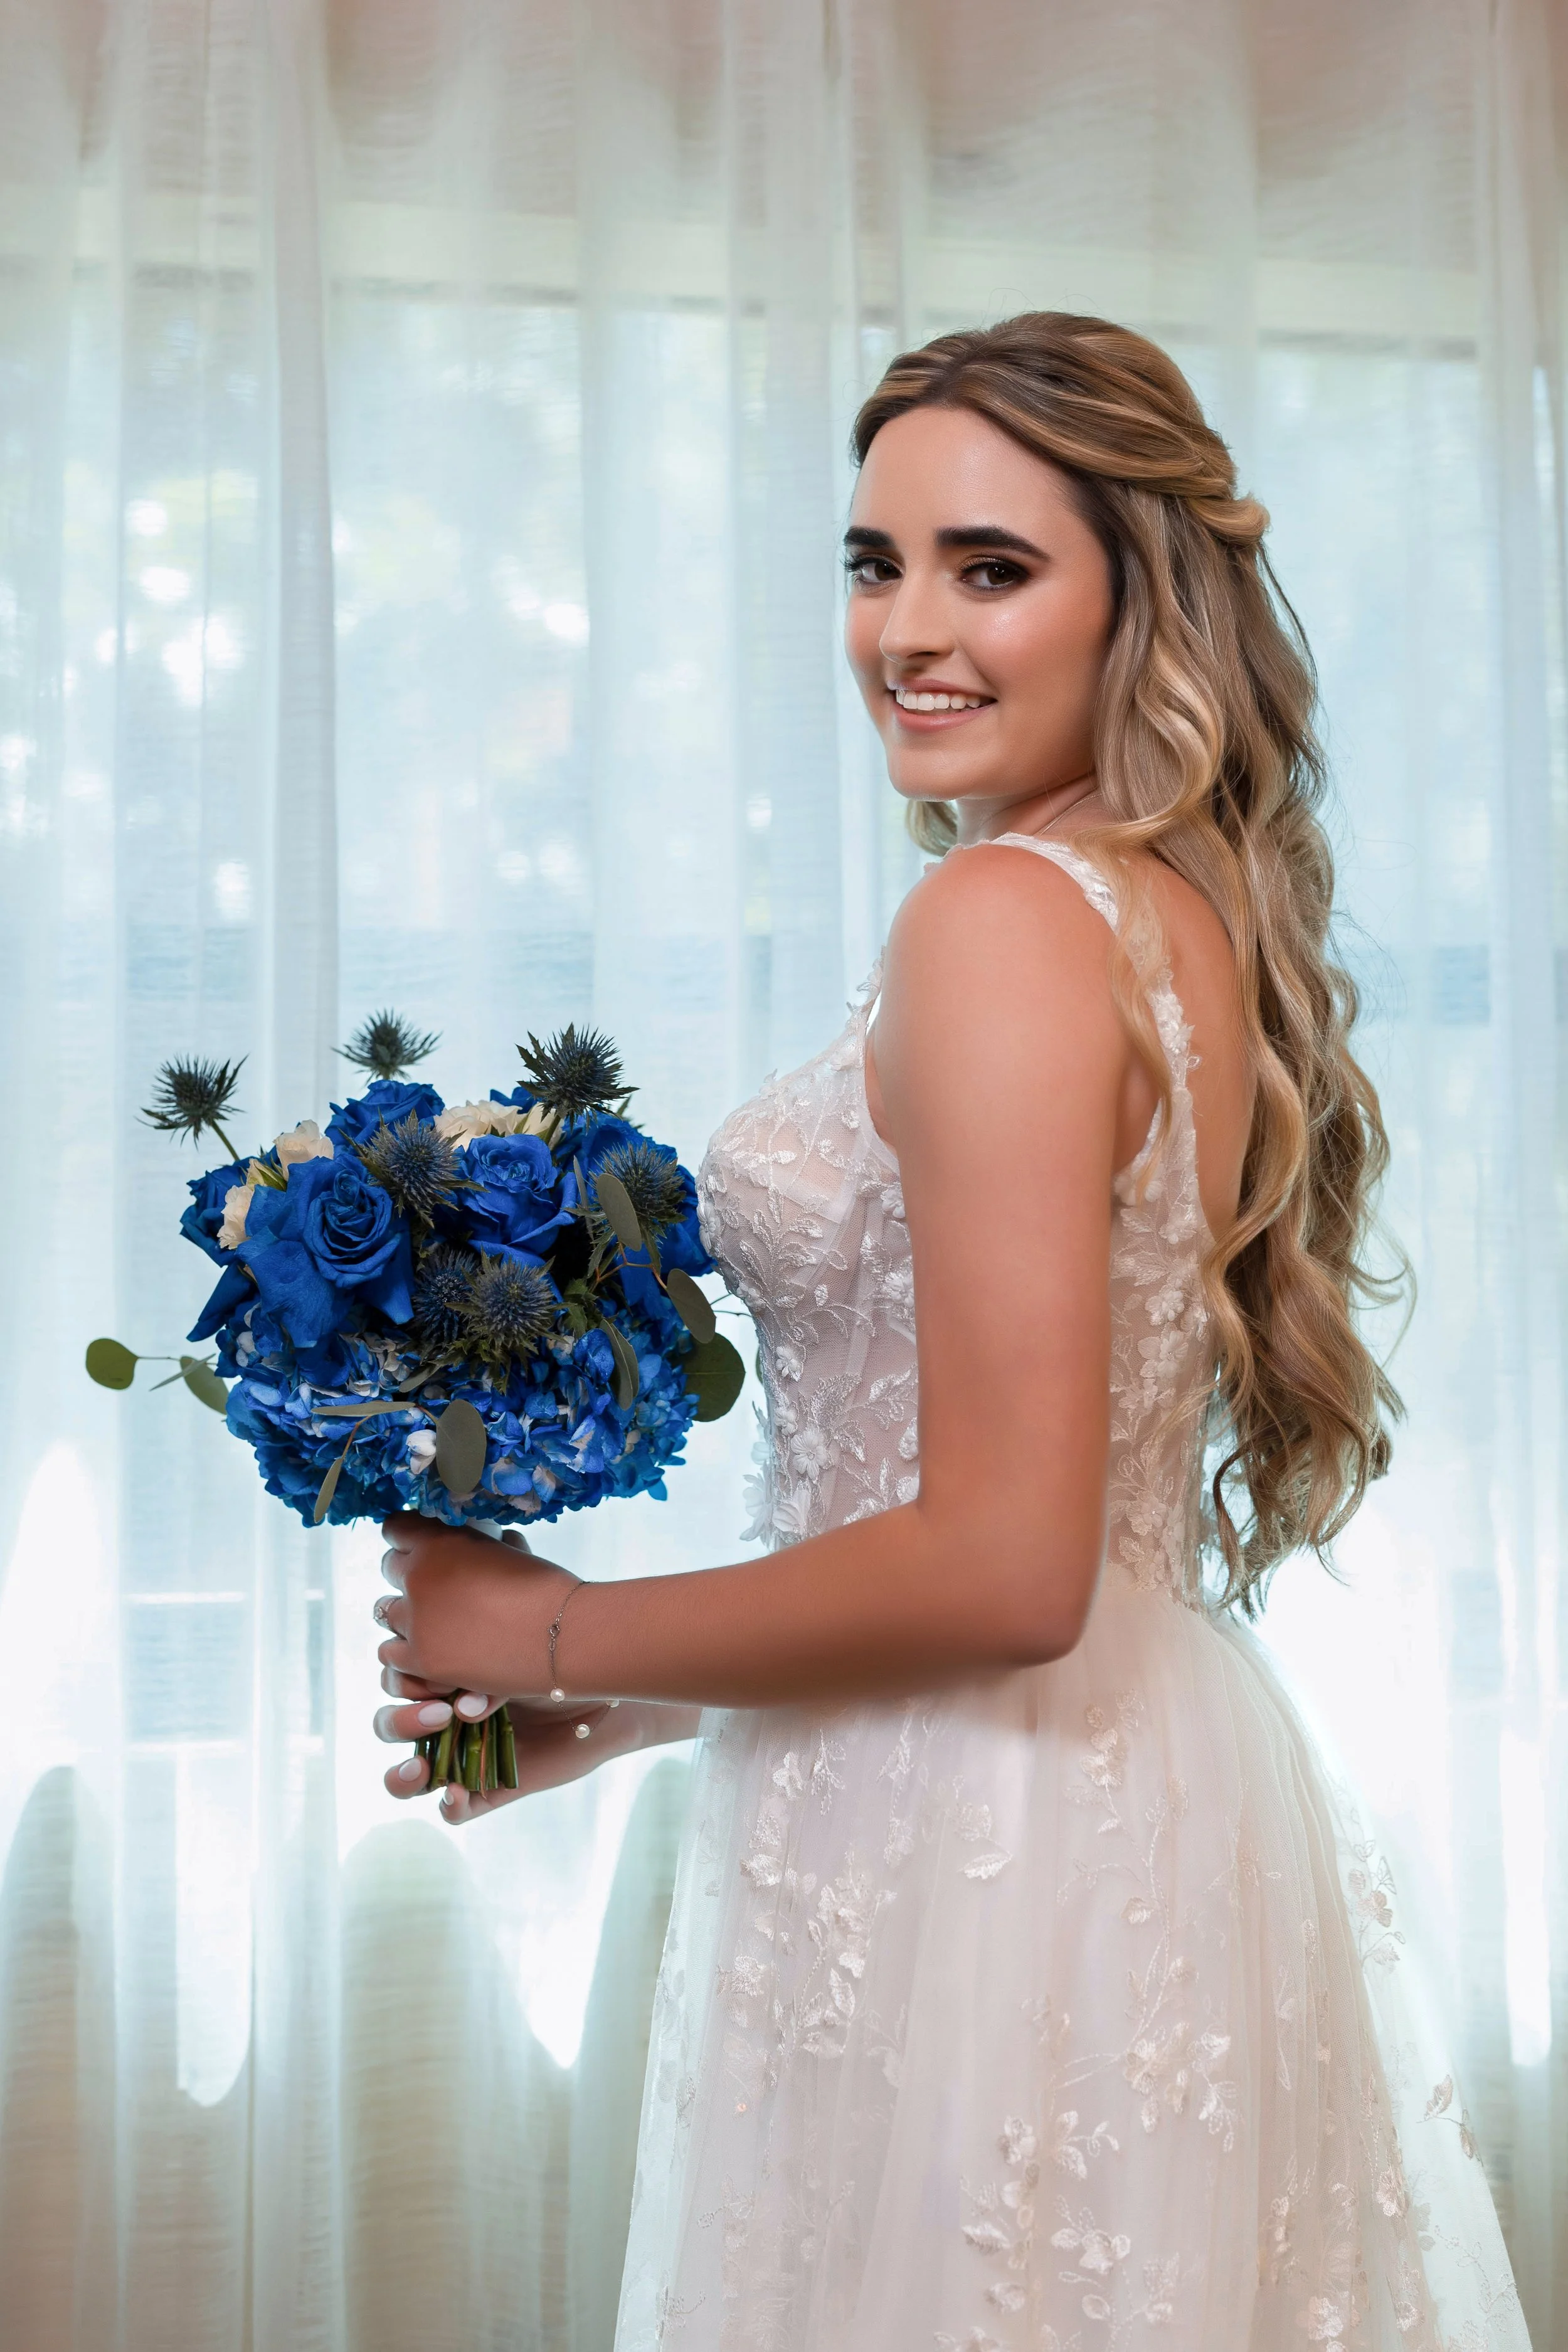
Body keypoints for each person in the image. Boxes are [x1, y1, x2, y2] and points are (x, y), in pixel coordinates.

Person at [368, 314, 1528, 2350]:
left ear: (1134, 599)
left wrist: (538, 1630)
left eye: (988, 567)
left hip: (979, 1849)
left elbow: (1001, 1562)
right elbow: (1016, 1512)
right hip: (1091, 1791)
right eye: (870, 561)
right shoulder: (1158, 916)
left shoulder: (1000, 924)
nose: (906, 626)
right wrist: (636, 1710)